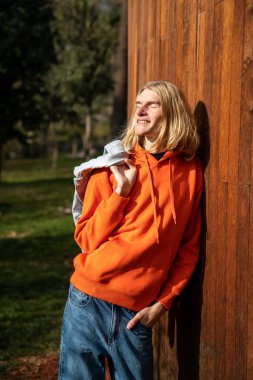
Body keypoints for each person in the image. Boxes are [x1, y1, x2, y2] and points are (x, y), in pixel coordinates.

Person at [58, 80, 203, 380]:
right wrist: (120, 193)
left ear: (172, 113)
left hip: (136, 316)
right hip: (87, 302)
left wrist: (163, 304)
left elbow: (189, 247)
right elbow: (86, 238)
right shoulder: (113, 166)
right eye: (138, 103)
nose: (140, 109)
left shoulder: (191, 172)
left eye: (152, 104)